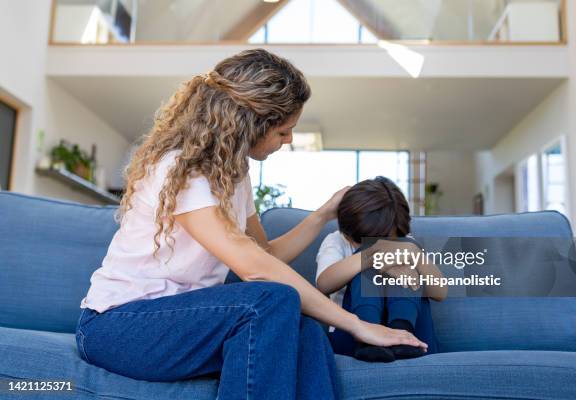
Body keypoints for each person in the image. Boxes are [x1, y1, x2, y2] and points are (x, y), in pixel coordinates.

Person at [75, 49, 420, 400]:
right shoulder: (180, 169)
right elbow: (254, 267)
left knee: (305, 325)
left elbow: (265, 253)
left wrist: (321, 215)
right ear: (249, 124)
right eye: (283, 131)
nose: (288, 141)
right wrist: (359, 326)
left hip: (188, 323)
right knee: (272, 300)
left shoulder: (235, 175)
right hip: (118, 326)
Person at [316, 176, 448, 363]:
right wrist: (372, 256)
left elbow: (440, 292)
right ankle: (369, 339)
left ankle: (402, 330)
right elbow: (324, 284)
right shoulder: (336, 241)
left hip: (413, 341)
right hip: (355, 340)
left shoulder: (406, 242)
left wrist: (412, 252)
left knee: (404, 256)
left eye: (387, 236)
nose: (381, 243)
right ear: (347, 231)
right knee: (365, 266)